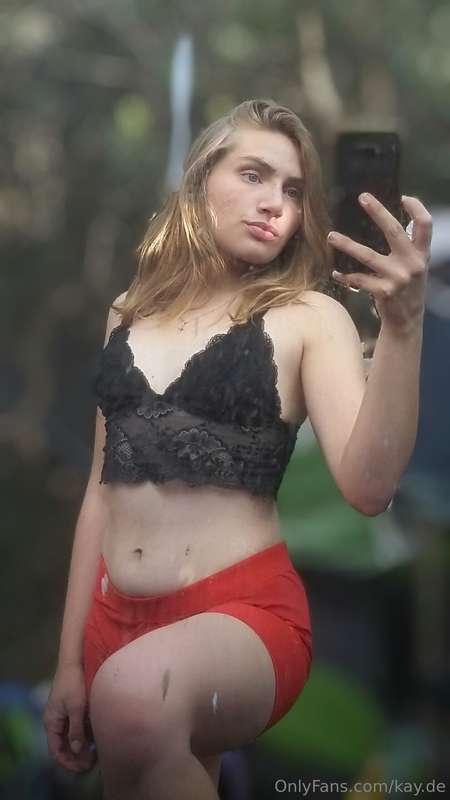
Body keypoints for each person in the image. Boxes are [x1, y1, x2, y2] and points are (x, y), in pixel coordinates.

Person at [42, 98, 432, 800]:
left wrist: (403, 326)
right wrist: (71, 661)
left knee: (132, 695)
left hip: (242, 617)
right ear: (201, 181)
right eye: (254, 175)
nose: (275, 202)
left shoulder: (309, 317)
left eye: (293, 190)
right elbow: (100, 495)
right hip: (112, 620)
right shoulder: (128, 312)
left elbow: (370, 489)